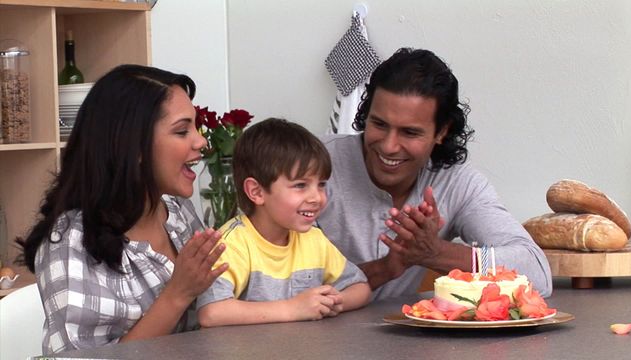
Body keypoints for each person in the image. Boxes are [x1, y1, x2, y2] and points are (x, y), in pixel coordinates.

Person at [16, 64, 228, 354]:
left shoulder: (178, 212)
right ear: (134, 147)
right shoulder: (72, 242)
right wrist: (178, 294)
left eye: (196, 127)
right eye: (182, 131)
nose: (201, 141)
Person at [316, 48, 552, 300]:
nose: (388, 145)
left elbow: (536, 274)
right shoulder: (314, 165)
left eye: (409, 132)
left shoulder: (457, 183)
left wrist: (435, 252)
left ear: (441, 132)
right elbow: (281, 289)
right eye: (379, 124)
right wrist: (385, 269)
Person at [197, 118, 371, 327]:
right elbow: (212, 313)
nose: (317, 197)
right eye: (300, 185)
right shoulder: (230, 244)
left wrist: (332, 302)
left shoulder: (314, 239)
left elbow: (360, 288)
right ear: (257, 192)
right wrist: (293, 308)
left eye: (321, 184)